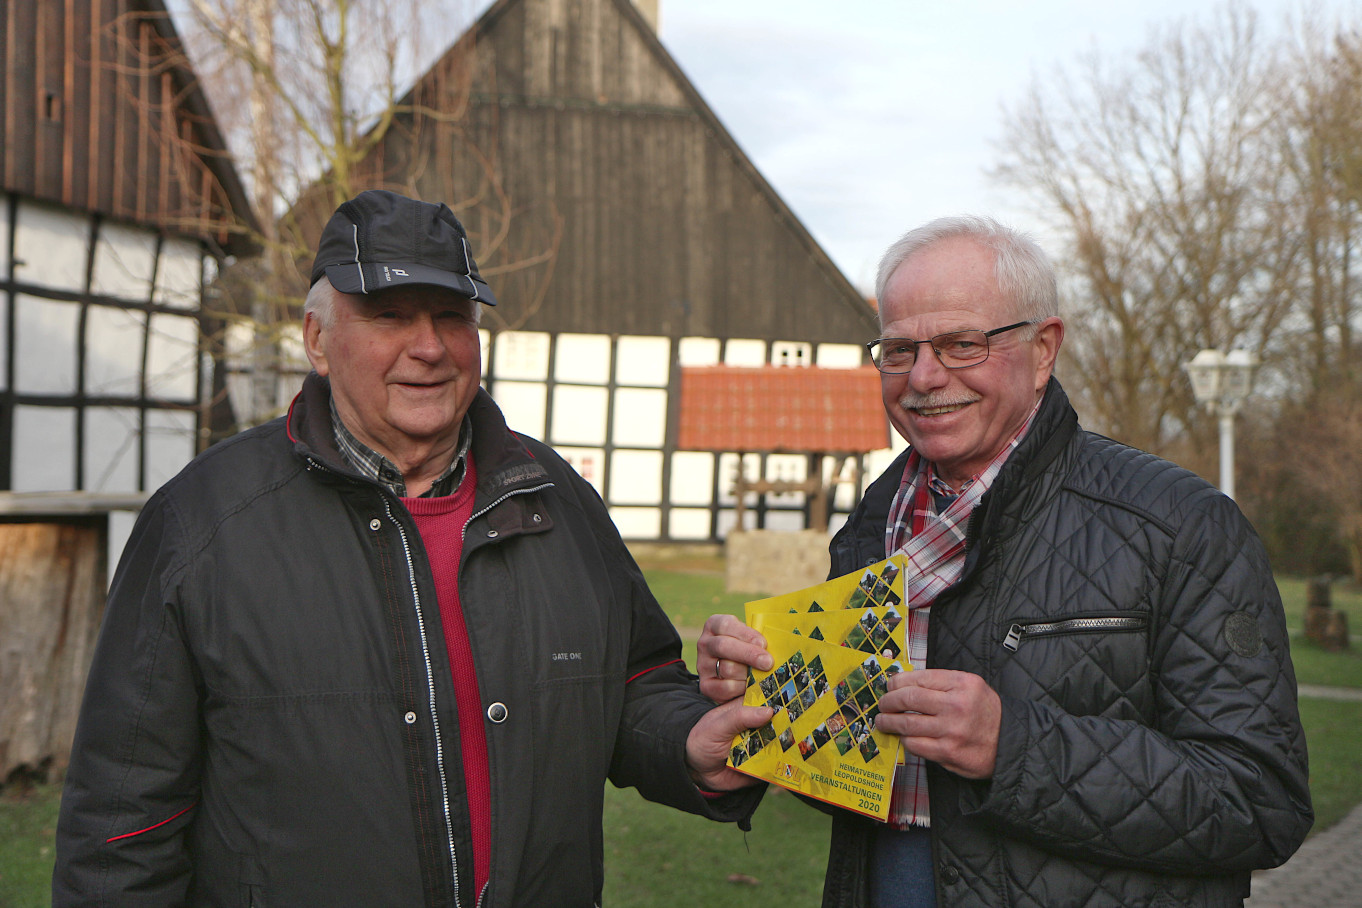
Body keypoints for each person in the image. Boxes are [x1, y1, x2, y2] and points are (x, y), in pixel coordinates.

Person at [53, 189, 768, 907]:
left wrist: (688, 742)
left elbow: (635, 679)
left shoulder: (557, 499)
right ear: (316, 340)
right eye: (389, 315)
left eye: (452, 317)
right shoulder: (202, 524)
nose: (428, 347)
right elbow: (122, 821)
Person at [699, 216, 1312, 907]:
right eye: (898, 350)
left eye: (962, 344)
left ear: (1043, 348)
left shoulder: (1179, 524)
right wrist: (779, 709)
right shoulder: (875, 526)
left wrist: (1014, 748)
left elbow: (1262, 803)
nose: (924, 377)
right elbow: (875, 781)